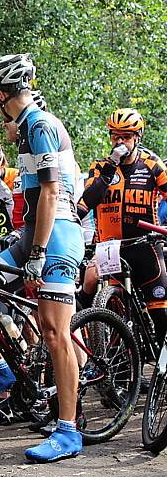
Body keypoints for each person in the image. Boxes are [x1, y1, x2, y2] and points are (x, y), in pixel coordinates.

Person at [0, 53, 84, 462]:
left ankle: (68, 431)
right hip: (32, 233)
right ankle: (0, 370)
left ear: (3, 94)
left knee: (54, 332)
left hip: (57, 234)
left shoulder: (39, 126)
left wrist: (38, 252)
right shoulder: (25, 128)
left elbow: (51, 194)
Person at [77, 108, 167, 339]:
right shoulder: (100, 167)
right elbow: (86, 202)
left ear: (137, 137)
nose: (120, 141)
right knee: (111, 313)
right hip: (110, 248)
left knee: (161, 313)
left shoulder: (152, 164)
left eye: (125, 136)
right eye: (115, 135)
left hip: (145, 246)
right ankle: (118, 366)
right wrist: (110, 169)